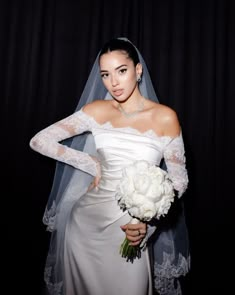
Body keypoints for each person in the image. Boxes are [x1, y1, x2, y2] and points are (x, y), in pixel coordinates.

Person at [30, 37, 190, 295]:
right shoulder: (97, 111)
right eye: (105, 74)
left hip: (131, 231)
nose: (113, 82)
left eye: (121, 71)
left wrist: (148, 225)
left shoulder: (165, 117)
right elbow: (40, 141)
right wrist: (92, 163)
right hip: (85, 227)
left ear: (137, 71)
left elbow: (179, 182)